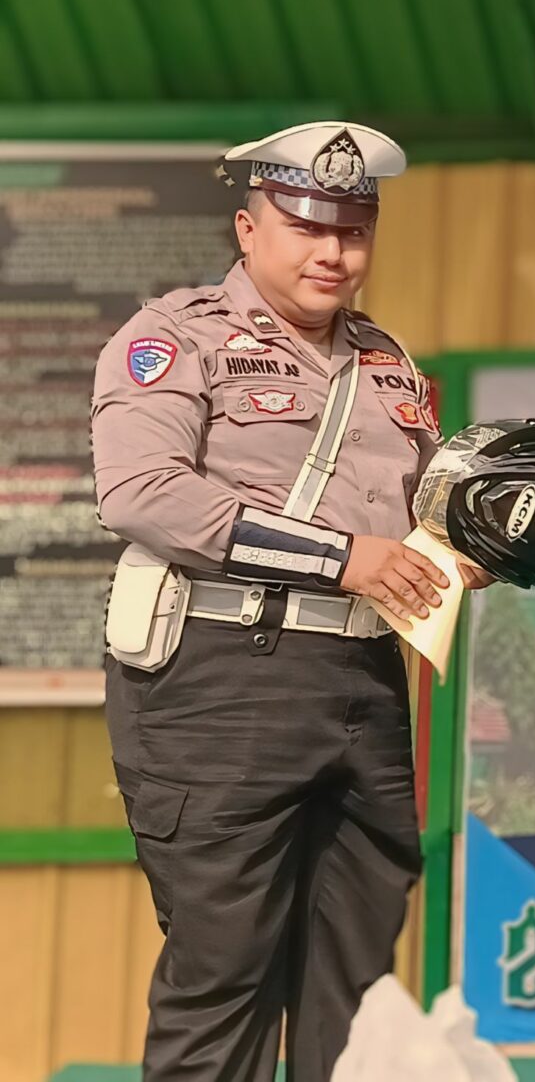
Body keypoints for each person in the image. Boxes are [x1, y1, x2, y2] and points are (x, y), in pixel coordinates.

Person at [91, 121, 485, 1081]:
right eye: (307, 226)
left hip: (362, 682)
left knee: (354, 982)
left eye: (353, 230)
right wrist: (342, 556)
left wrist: (484, 539)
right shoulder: (171, 337)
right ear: (246, 227)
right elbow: (143, 496)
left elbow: (420, 512)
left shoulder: (388, 360)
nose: (333, 251)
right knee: (223, 971)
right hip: (220, 679)